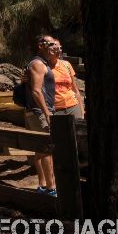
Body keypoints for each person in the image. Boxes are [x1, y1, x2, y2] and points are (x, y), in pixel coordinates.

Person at [23, 35, 84, 197]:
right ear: (41, 46)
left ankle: (49, 185)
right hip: (43, 111)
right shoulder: (38, 64)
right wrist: (48, 112)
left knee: (46, 147)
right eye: (50, 44)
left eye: (56, 46)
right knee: (46, 147)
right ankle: (51, 187)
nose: (55, 48)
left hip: (64, 106)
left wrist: (81, 109)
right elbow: (36, 90)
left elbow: (74, 88)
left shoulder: (48, 64)